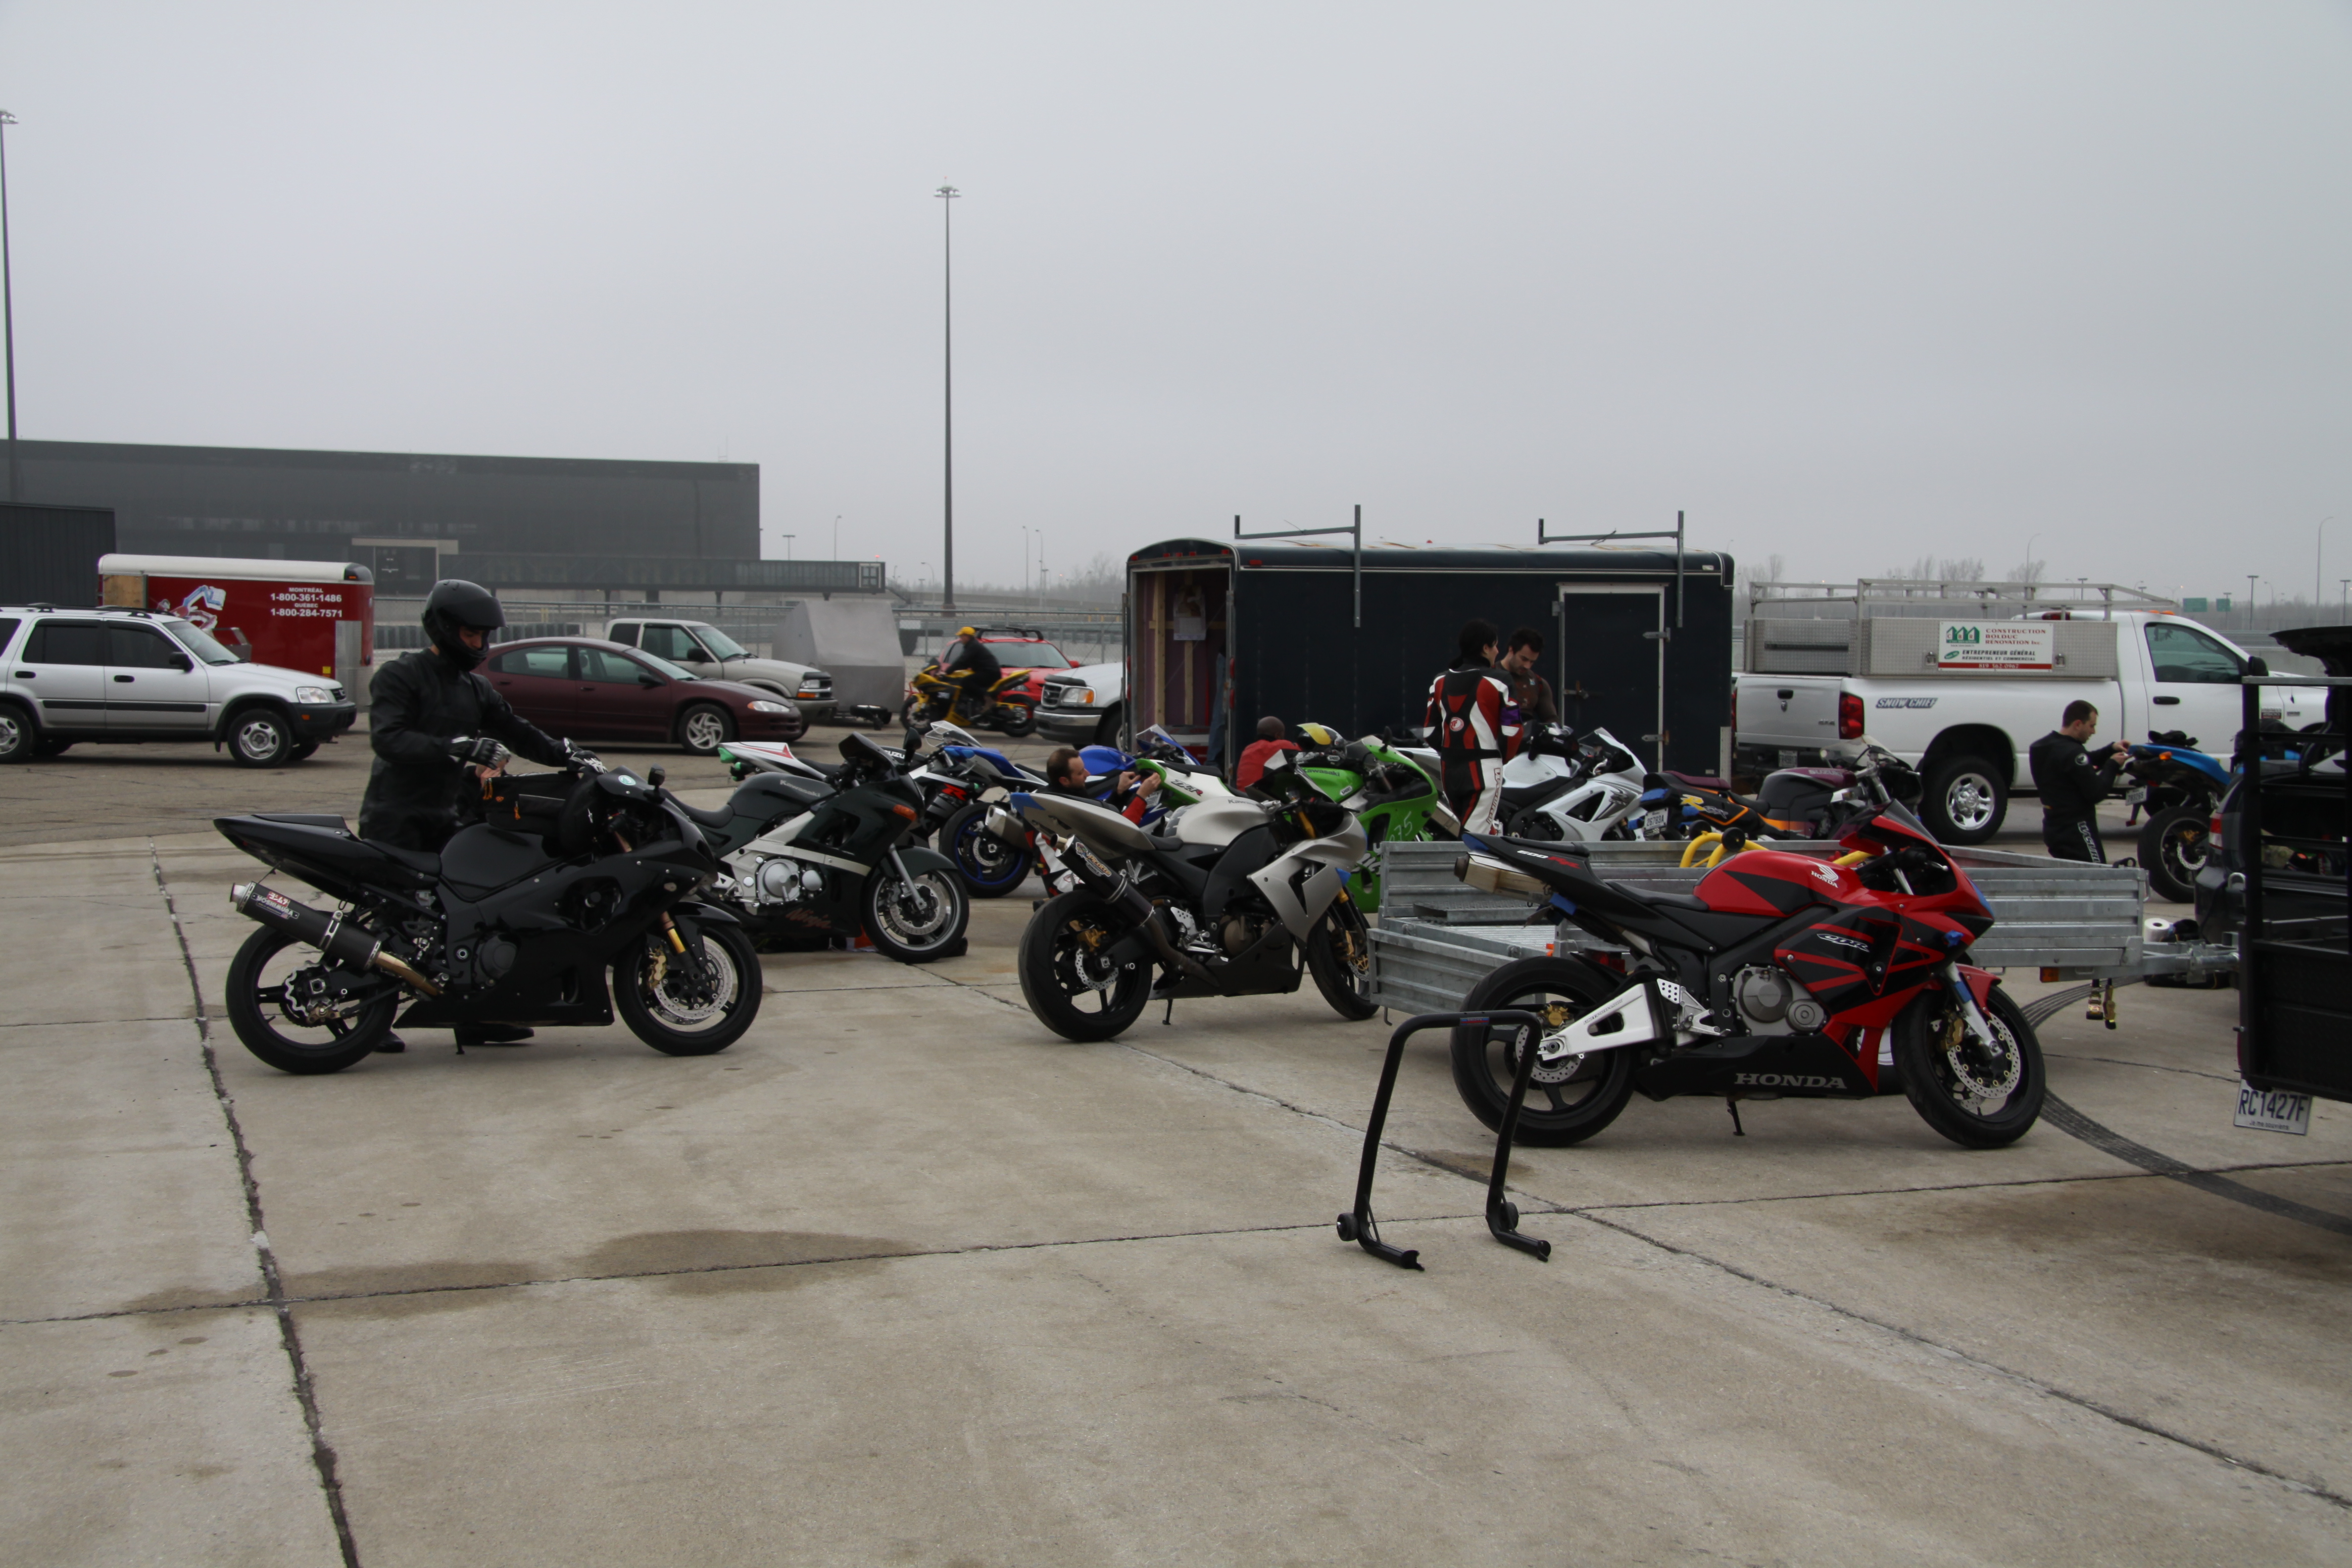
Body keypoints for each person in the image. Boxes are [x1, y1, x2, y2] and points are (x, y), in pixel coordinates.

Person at [360, 580, 575, 1050]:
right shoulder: (401, 675)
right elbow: (388, 738)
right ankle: (369, 1021)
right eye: (471, 634)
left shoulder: (476, 688)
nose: (479, 643)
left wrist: (568, 754)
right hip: (396, 816)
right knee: (396, 920)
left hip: (450, 818)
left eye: (484, 635)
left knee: (468, 919)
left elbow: (517, 730)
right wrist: (457, 747)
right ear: (444, 629)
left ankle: (475, 1016)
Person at [1424, 618, 1523, 834]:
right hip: (1484, 768)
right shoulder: (1500, 681)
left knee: (1474, 833)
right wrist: (1501, 759)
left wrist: (1452, 751)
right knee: (1474, 841)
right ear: (1485, 648)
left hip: (1449, 769)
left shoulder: (1439, 681)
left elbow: (1429, 732)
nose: (1498, 651)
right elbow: (1512, 731)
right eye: (1495, 645)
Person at [2028, 699, 2129, 863]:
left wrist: (2110, 750)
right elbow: (2097, 793)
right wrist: (2112, 766)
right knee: (2098, 873)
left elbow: (2079, 764)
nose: (2094, 731)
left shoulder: (2042, 747)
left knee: (2072, 875)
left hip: (2053, 827)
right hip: (2077, 829)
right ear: (2078, 724)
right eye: (2091, 726)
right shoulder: (2073, 752)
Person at [1044, 745, 1158, 822]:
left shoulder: (1070, 794)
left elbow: (1102, 815)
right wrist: (1142, 796)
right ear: (1065, 781)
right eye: (1080, 773)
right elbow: (1119, 833)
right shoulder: (1067, 808)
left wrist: (1120, 791)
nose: (1088, 774)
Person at [1498, 627, 1559, 725]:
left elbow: (1552, 720)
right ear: (1511, 650)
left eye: (1532, 662)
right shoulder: (1488, 676)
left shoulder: (1539, 684)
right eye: (1524, 659)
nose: (1527, 666)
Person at [939, 627, 1001, 720]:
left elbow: (962, 660)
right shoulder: (972, 646)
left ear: (967, 636)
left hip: (989, 672)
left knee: (967, 682)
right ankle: (976, 707)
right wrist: (953, 671)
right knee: (967, 683)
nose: (960, 638)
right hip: (989, 672)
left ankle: (989, 700)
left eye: (962, 636)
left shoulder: (973, 646)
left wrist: (947, 672)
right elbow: (965, 663)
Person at [1234, 716, 1300, 791]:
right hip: (1262, 796)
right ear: (1278, 736)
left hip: (1242, 795)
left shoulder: (1248, 749)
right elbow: (1303, 752)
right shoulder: (1282, 745)